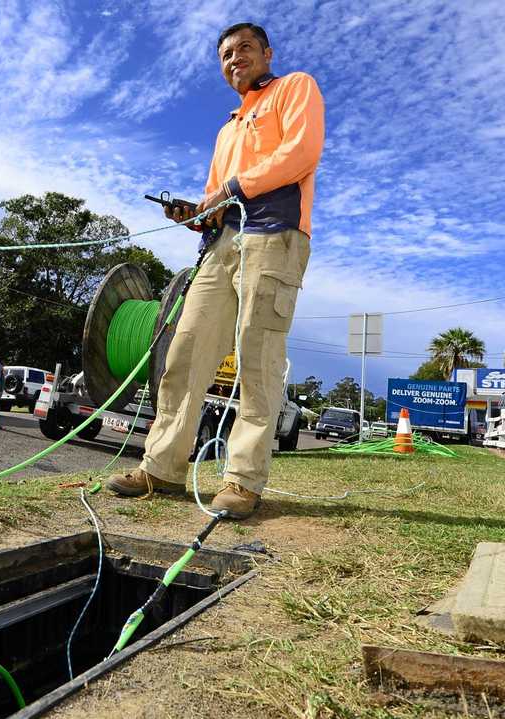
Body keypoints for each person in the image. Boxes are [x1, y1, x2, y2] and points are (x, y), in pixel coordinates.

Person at [108, 22, 325, 519]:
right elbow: (215, 200)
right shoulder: (227, 129)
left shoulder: (295, 88)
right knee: (185, 353)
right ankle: (161, 469)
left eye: (245, 48)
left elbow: (301, 153)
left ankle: (243, 481)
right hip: (221, 243)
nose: (235, 58)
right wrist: (196, 214)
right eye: (226, 54)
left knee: (258, 356)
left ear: (267, 53)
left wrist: (228, 191)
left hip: (276, 236)